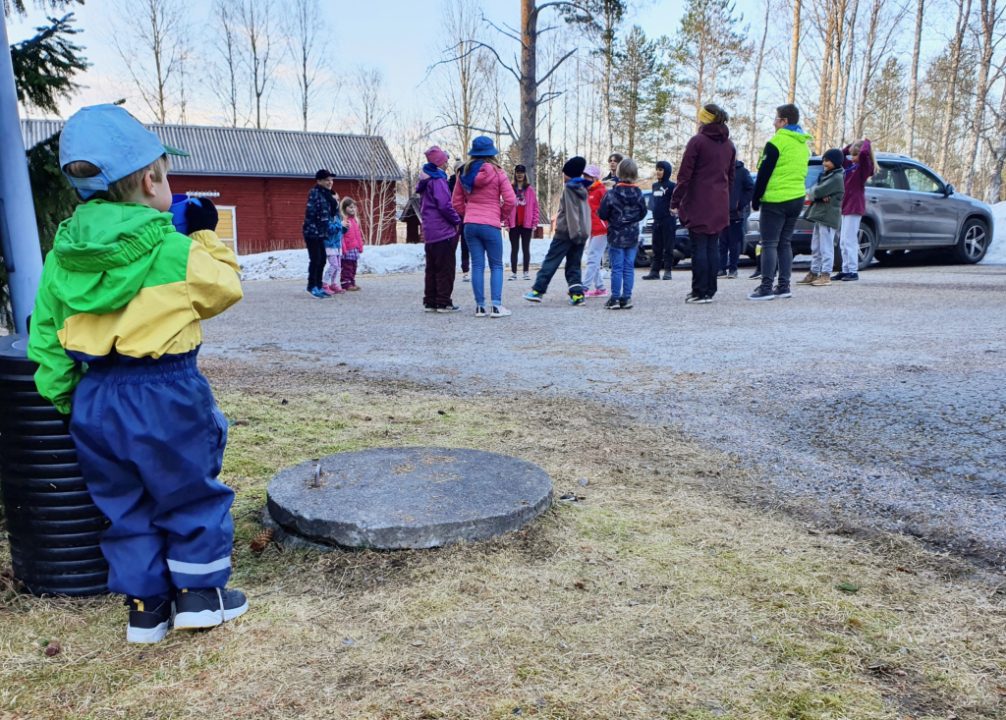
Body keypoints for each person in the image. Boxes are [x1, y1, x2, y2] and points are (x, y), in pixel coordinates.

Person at [27, 104, 247, 643]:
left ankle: (146, 609)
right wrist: (203, 237)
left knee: (123, 504)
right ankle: (201, 597)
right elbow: (224, 288)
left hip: (96, 395)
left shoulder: (60, 258)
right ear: (151, 180)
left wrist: (66, 400)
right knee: (189, 490)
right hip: (167, 389)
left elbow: (45, 338)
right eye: (165, 175)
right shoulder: (172, 248)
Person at [670, 104, 737, 305]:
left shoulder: (697, 142)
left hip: (698, 202)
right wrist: (724, 197)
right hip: (719, 203)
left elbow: (685, 175)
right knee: (712, 247)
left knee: (699, 246)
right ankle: (709, 289)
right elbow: (731, 177)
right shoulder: (729, 145)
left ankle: (699, 291)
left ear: (703, 120)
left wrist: (676, 200)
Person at [748, 103, 812, 301]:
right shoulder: (803, 145)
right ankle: (784, 285)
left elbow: (764, 173)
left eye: (776, 119)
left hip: (776, 199)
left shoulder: (776, 142)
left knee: (768, 243)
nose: (774, 124)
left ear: (784, 121)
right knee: (785, 243)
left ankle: (766, 287)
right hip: (797, 198)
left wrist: (756, 199)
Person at [451, 136, 517, 318]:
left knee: (477, 265)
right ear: (491, 153)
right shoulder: (498, 172)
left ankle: (480, 307)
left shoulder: (463, 173)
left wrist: (469, 214)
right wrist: (500, 216)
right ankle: (496, 306)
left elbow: (455, 201)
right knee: (496, 265)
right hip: (491, 224)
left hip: (470, 225)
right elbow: (511, 200)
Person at [524, 156, 592, 306]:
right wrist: (581, 235)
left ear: (569, 174)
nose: (562, 176)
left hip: (566, 233)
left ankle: (538, 290)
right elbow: (586, 213)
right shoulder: (583, 188)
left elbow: (571, 213)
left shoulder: (569, 189)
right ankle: (577, 295)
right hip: (581, 234)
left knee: (551, 261)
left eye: (564, 173)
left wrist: (574, 234)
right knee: (574, 265)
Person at [417, 146, 463, 312]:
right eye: (445, 161)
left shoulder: (425, 180)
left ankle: (430, 301)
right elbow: (445, 204)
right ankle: (443, 301)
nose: (446, 164)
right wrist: (456, 220)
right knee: (446, 268)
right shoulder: (438, 179)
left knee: (432, 268)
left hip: (429, 231)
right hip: (443, 231)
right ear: (439, 162)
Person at [598, 158, 648, 310]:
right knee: (628, 267)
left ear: (618, 173)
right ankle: (626, 298)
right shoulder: (638, 193)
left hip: (615, 234)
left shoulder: (612, 193)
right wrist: (632, 220)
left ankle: (614, 298)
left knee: (617, 267)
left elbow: (603, 213)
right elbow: (643, 213)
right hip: (632, 235)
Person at [798, 148, 845, 286]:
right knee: (816, 247)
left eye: (827, 160)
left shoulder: (836, 178)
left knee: (826, 246)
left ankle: (825, 274)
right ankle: (813, 272)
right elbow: (813, 192)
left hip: (828, 217)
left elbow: (815, 191)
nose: (824, 163)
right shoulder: (826, 175)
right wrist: (816, 194)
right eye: (824, 160)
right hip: (820, 216)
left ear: (835, 162)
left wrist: (816, 194)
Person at [834, 138, 877, 282]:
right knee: (843, 241)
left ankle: (853, 270)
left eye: (855, 155)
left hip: (855, 206)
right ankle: (845, 269)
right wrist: (850, 147)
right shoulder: (849, 166)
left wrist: (866, 142)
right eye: (851, 154)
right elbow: (840, 156)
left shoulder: (864, 168)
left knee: (850, 240)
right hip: (845, 206)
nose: (851, 157)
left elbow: (864, 153)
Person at [718, 159, 754, 279]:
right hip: (721, 213)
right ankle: (721, 268)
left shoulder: (743, 172)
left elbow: (751, 189)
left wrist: (740, 203)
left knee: (734, 243)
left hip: (737, 214)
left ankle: (733, 269)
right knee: (722, 243)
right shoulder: (720, 170)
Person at [303, 169, 337, 298]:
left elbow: (333, 212)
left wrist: (333, 201)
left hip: (322, 232)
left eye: (331, 180)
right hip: (312, 232)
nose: (330, 183)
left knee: (322, 260)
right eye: (327, 180)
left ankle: (319, 285)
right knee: (315, 259)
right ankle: (311, 286)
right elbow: (310, 213)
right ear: (319, 181)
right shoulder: (315, 193)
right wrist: (314, 231)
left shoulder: (328, 195)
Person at [505, 164, 540, 280]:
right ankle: (513, 272)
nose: (519, 174)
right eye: (518, 172)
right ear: (515, 174)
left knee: (526, 248)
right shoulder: (510, 189)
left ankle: (526, 271)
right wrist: (506, 223)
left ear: (525, 174)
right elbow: (505, 206)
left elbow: (535, 207)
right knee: (514, 248)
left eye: (521, 172)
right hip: (514, 223)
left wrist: (535, 222)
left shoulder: (530, 190)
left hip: (527, 224)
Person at [643, 160, 676, 281]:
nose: (658, 172)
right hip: (656, 221)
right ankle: (655, 271)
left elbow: (678, 201)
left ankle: (667, 270)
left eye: (660, 170)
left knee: (668, 246)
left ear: (666, 171)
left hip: (668, 220)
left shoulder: (672, 186)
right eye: (657, 169)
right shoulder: (654, 186)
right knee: (656, 247)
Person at [582, 164, 609, 297]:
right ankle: (601, 288)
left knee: (592, 259)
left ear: (595, 178)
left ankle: (584, 287)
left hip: (601, 230)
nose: (585, 179)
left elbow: (608, 209)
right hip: (593, 230)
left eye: (588, 176)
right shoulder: (589, 191)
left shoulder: (600, 191)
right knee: (594, 259)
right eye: (585, 176)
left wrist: (606, 225)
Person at [448, 162, 471, 282]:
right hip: (454, 218)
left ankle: (466, 271)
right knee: (452, 244)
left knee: (466, 245)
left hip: (466, 216)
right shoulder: (449, 184)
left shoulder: (468, 184)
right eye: (459, 171)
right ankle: (449, 270)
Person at [321, 188, 346, 294]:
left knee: (338, 266)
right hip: (329, 244)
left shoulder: (337, 215)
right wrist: (341, 225)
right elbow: (328, 229)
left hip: (337, 244)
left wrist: (345, 227)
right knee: (334, 265)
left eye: (338, 200)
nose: (337, 202)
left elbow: (340, 231)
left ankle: (334, 284)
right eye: (334, 200)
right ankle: (324, 283)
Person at [340, 197, 364, 291]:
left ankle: (352, 282)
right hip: (347, 249)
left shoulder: (354, 221)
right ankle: (346, 283)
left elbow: (358, 235)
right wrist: (344, 249)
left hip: (355, 248)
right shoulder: (344, 222)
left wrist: (360, 246)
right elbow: (342, 236)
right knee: (347, 267)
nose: (353, 209)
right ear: (344, 208)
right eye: (350, 207)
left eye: (354, 207)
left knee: (354, 266)